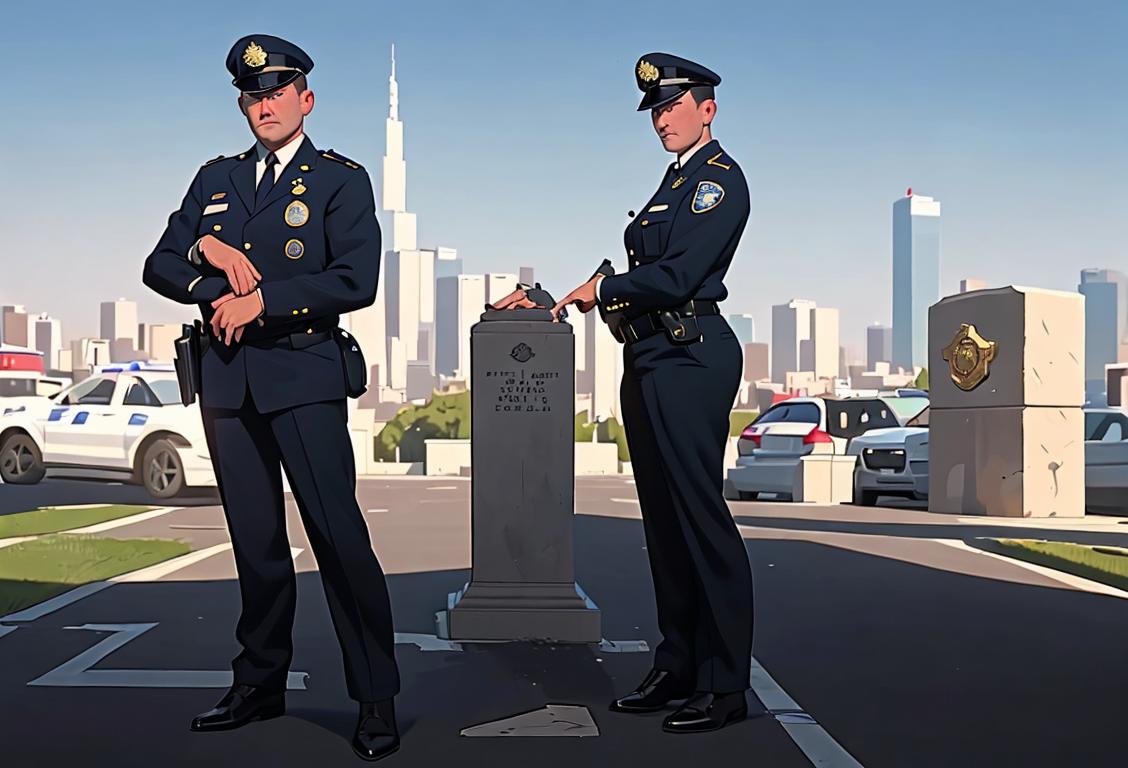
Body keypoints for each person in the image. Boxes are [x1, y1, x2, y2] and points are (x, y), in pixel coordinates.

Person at [142, 34, 400, 761]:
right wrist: (206, 255)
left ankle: (375, 696)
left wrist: (265, 303)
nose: (264, 103)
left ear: (305, 100)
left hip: (303, 378)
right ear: (242, 104)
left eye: (277, 90)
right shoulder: (215, 178)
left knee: (339, 539)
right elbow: (158, 261)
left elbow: (357, 280)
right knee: (256, 548)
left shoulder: (338, 180)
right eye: (252, 94)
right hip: (228, 384)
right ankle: (259, 684)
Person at [551, 52, 755, 734]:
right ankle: (678, 666)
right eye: (656, 110)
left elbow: (679, 273)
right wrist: (584, 290)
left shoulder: (717, 183)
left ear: (708, 107)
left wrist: (604, 289)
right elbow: (646, 270)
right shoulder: (674, 183)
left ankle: (724, 686)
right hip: (649, 356)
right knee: (664, 527)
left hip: (692, 355)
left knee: (701, 523)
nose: (663, 118)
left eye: (674, 105)